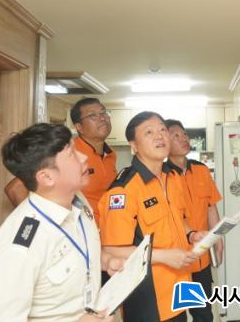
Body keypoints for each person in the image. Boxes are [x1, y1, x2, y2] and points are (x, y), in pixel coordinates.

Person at [0, 123, 121, 321]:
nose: (84, 157)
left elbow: (75, 251)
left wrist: (104, 261)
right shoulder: (18, 246)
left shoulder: (77, 201)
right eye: (72, 154)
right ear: (46, 177)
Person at [98, 112, 206, 322]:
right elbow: (112, 250)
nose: (159, 136)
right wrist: (164, 256)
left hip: (179, 286)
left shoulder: (172, 177)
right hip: (147, 296)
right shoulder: (123, 190)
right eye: (149, 132)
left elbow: (178, 218)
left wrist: (191, 234)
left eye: (163, 130)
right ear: (134, 146)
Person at [4, 98, 117, 224]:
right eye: (92, 115)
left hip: (100, 230)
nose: (102, 118)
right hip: (73, 230)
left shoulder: (110, 154)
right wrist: (44, 225)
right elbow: (15, 188)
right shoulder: (65, 152)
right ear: (79, 127)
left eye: (103, 112)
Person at [165, 119, 223, 322]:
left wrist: (218, 240)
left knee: (203, 313)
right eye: (176, 136)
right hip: (176, 260)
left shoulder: (201, 170)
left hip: (201, 258)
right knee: (177, 315)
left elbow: (210, 206)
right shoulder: (162, 175)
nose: (183, 139)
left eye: (184, 134)